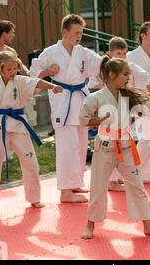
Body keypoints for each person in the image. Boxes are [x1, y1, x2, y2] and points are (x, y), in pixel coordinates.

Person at [79, 56, 150, 239]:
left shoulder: (127, 95)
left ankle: (147, 225)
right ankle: (90, 225)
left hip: (125, 147)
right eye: (125, 74)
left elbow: (149, 107)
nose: (128, 78)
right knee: (98, 187)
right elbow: (84, 120)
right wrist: (98, 121)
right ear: (111, 74)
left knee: (137, 186)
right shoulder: (95, 98)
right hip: (105, 147)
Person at [0, 51, 64, 213]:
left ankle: (34, 197)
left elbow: (36, 82)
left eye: (15, 68)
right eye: (9, 69)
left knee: (31, 163)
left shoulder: (20, 81)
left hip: (18, 125)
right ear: (1, 69)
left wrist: (52, 86)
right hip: (0, 126)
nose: (13, 72)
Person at [30, 14, 102, 203]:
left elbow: (100, 63)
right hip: (62, 98)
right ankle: (65, 191)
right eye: (76, 32)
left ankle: (75, 182)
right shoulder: (51, 52)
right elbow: (33, 74)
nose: (79, 36)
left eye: (81, 32)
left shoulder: (83, 52)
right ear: (65, 32)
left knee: (80, 142)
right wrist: (47, 72)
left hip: (80, 96)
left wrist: (117, 63)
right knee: (66, 146)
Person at [87, 36, 150, 191]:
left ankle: (116, 178)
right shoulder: (103, 68)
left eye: (124, 53)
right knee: (110, 143)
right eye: (118, 53)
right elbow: (92, 88)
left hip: (124, 104)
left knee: (123, 141)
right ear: (110, 53)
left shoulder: (129, 66)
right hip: (108, 107)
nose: (122, 56)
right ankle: (111, 181)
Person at [127, 22, 150, 184]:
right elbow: (129, 82)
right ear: (143, 35)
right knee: (145, 138)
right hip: (140, 101)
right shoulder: (131, 57)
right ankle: (140, 172)